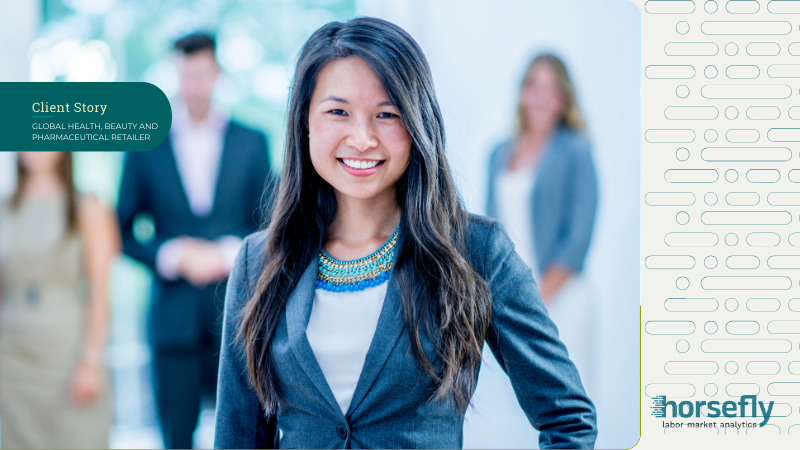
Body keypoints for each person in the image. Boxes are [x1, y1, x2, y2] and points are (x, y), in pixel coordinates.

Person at [214, 17, 596, 449]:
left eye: (387, 114)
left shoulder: (477, 252)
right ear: (305, 121)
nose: (362, 138)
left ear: (417, 124)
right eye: (338, 111)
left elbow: (568, 420)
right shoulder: (257, 262)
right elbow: (238, 437)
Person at [117, 32, 274, 449]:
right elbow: (123, 230)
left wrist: (227, 253)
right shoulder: (144, 145)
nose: (193, 85)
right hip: (173, 321)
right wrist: (171, 254)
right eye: (185, 75)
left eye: (201, 74)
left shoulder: (252, 141)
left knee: (249, 435)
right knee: (175, 438)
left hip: (240, 315)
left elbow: (273, 223)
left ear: (217, 74)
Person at [486, 54, 599, 394]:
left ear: (562, 99)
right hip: (511, 300)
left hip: (561, 296)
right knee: (517, 405)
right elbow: (488, 229)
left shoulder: (576, 152)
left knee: (567, 402)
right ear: (521, 93)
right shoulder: (499, 153)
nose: (540, 97)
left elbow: (578, 237)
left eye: (551, 89)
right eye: (533, 85)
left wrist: (536, 299)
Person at [0, 152, 118, 448]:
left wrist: (90, 360)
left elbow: (99, 292)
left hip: (67, 355)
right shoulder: (4, 208)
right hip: (11, 361)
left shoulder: (87, 206)